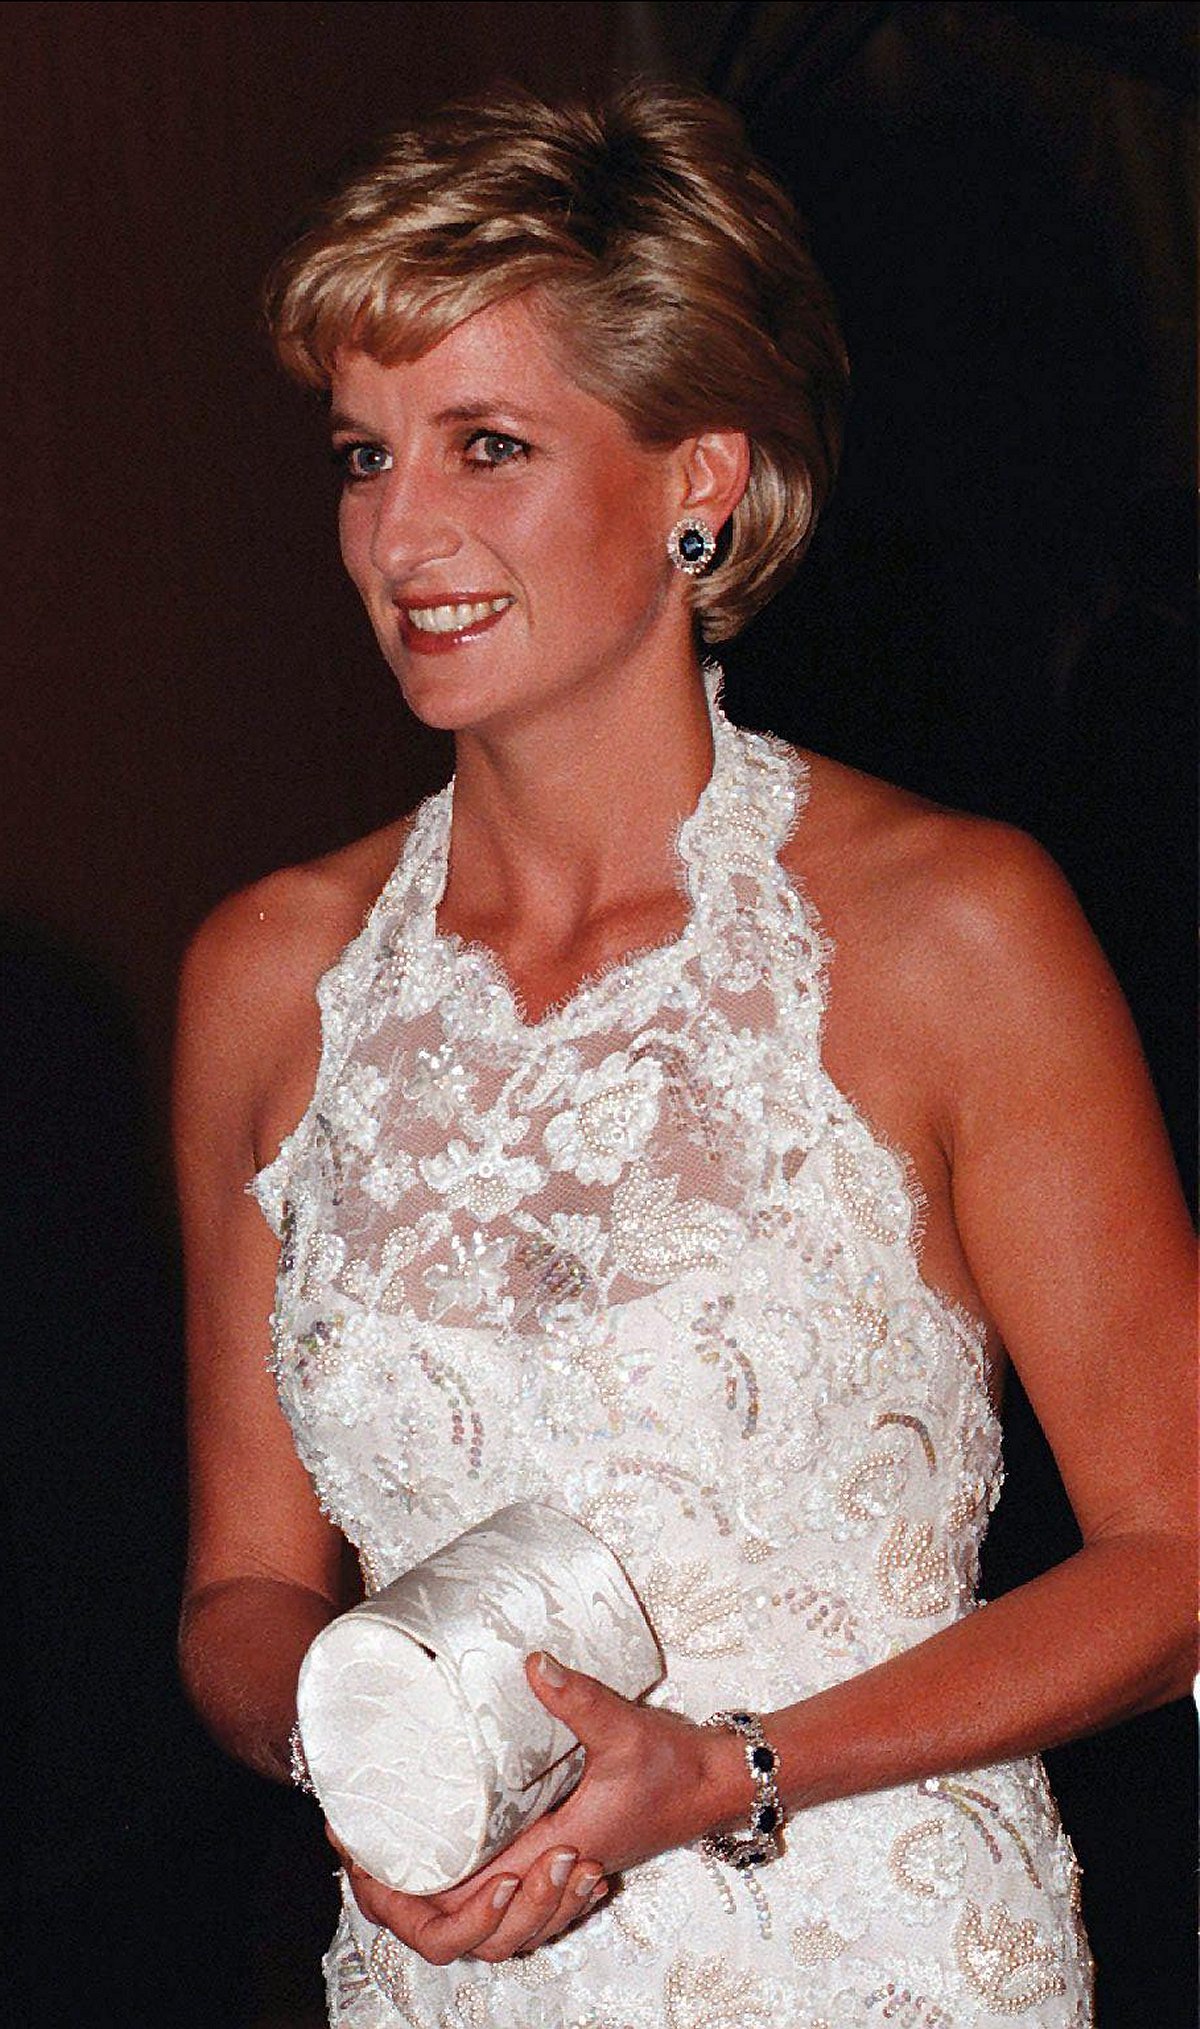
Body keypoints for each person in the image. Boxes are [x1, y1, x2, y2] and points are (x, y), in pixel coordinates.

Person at [175, 83, 1194, 2028]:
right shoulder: (266, 977)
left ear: (695, 476)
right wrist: (368, 1755)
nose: (403, 533)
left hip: (874, 1956)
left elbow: (1179, 1556)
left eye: (488, 446)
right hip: (446, 1969)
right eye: (362, 454)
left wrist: (720, 1772)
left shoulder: (951, 930)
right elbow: (238, 1591)